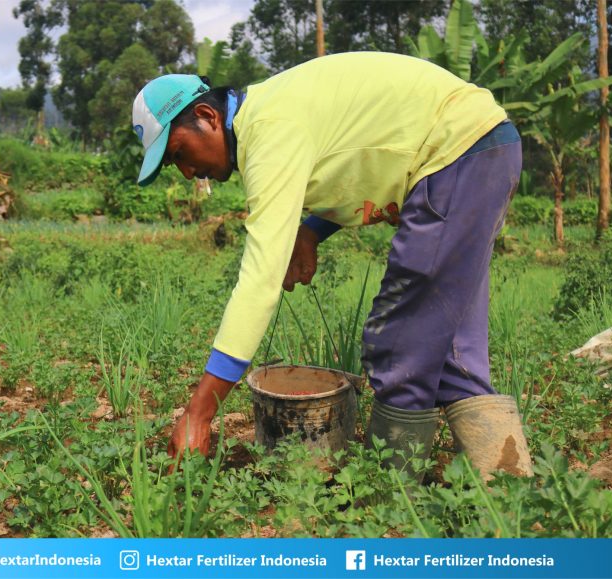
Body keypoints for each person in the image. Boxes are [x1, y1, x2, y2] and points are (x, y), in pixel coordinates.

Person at [131, 52, 533, 480]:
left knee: (399, 343)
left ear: (207, 116)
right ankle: (508, 493)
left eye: (178, 153)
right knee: (454, 351)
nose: (188, 171)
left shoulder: (268, 131)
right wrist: (311, 231)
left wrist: (199, 412)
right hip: (483, 147)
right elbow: (358, 159)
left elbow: (258, 282)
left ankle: (392, 506)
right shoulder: (273, 115)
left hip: (457, 153)